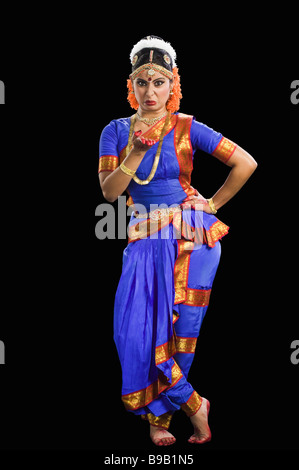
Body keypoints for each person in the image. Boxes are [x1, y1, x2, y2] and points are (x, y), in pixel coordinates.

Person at [98, 35, 257, 446]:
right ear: (130, 87)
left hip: (191, 239)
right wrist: (134, 152)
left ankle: (161, 418)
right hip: (143, 239)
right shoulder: (115, 132)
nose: (150, 92)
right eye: (142, 83)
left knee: (180, 330)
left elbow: (245, 162)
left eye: (159, 83)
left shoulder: (186, 127)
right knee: (134, 332)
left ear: (173, 86)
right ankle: (195, 404)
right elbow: (110, 194)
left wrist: (213, 204)